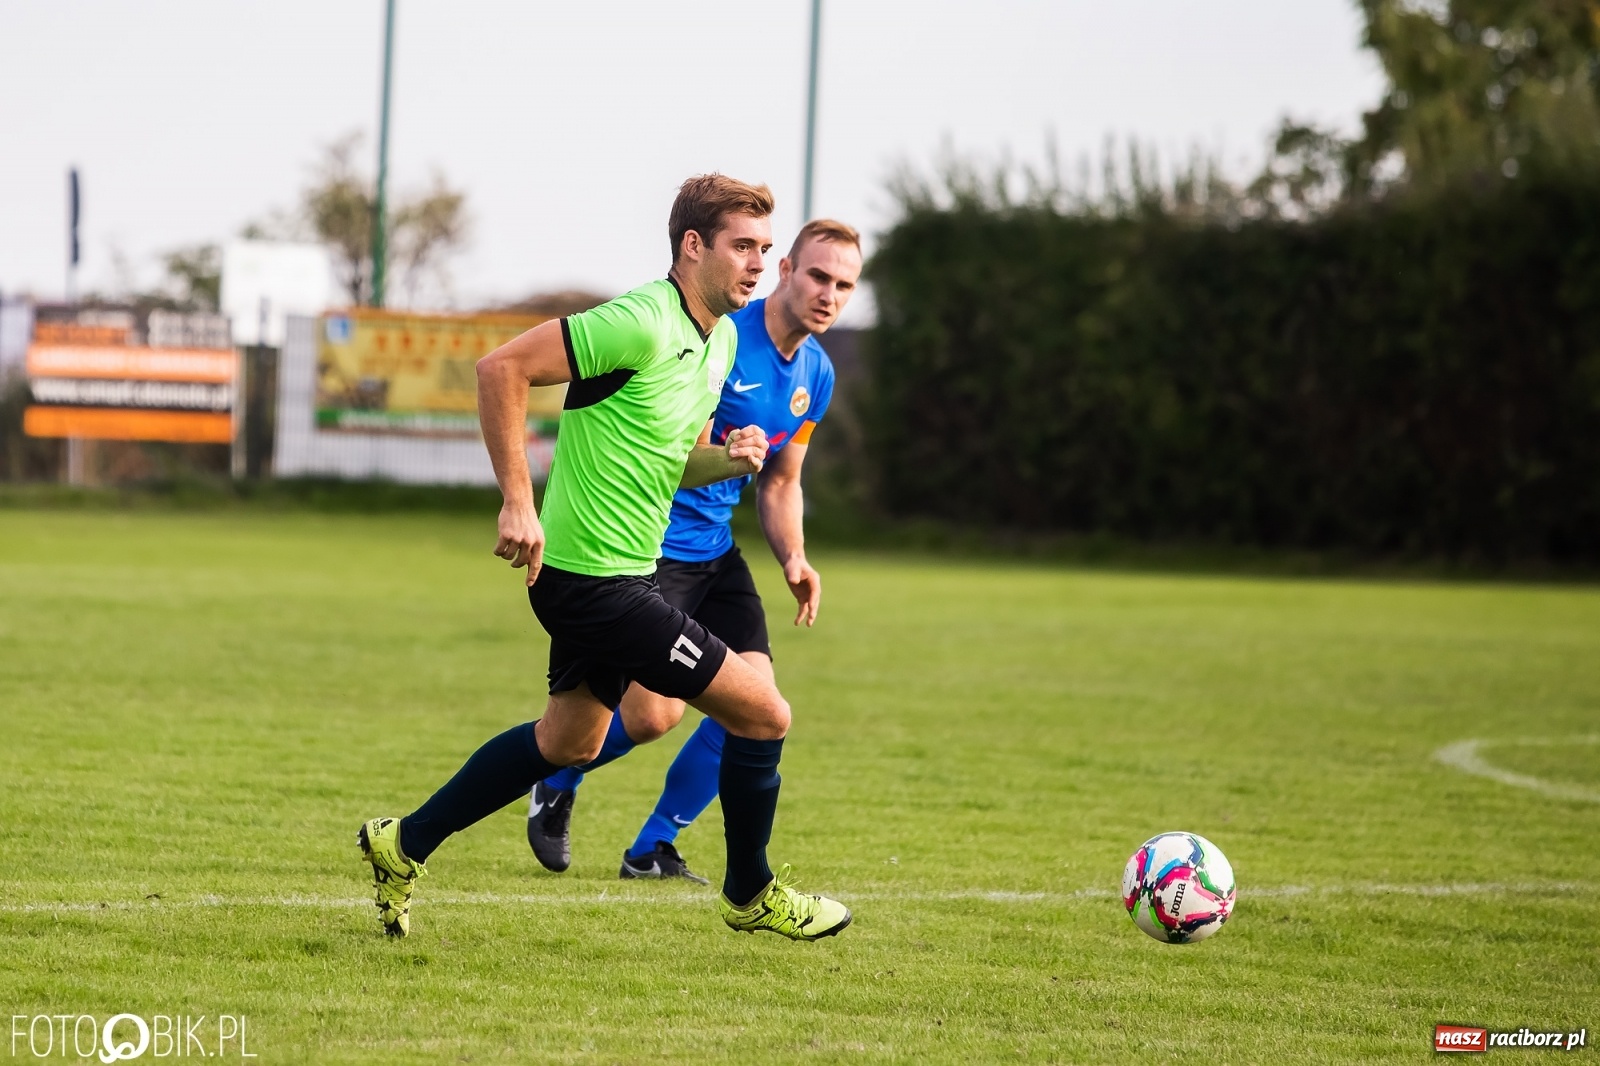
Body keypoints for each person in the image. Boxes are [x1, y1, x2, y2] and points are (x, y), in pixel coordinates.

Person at [356, 174, 851, 942]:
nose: (758, 264)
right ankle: (750, 892)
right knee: (764, 712)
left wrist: (728, 460)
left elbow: (668, 456)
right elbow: (501, 369)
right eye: (742, 247)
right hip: (594, 582)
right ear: (694, 247)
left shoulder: (717, 339)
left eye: (764, 248)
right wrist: (518, 500)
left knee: (570, 741)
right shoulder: (639, 320)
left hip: (622, 574)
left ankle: (402, 843)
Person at [526, 219, 862, 884]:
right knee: (653, 717)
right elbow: (685, 453)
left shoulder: (815, 374)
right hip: (656, 548)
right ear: (787, 269)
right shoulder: (728, 337)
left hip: (717, 551)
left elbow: (782, 481)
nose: (829, 294)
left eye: (845, 284)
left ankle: (652, 847)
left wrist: (793, 556)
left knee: (758, 705)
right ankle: (557, 776)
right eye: (819, 276)